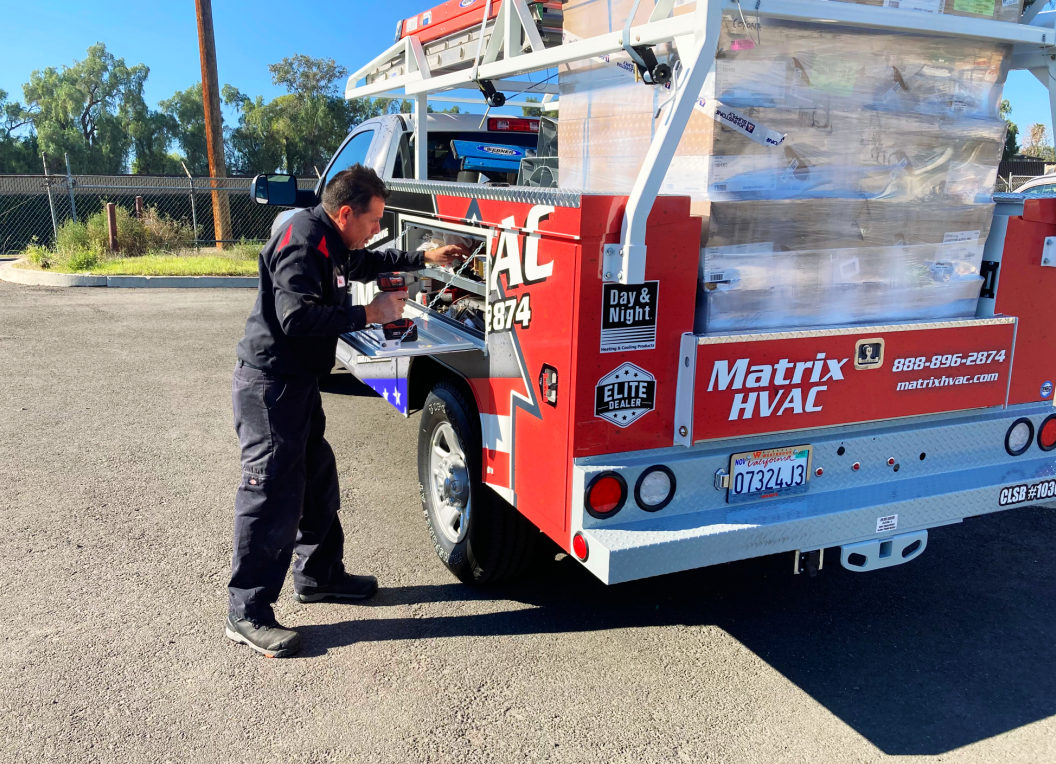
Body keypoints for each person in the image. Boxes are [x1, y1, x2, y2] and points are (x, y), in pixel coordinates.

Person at [225, 164, 466, 658]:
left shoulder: (331, 240)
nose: (376, 230)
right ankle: (247, 612)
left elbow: (359, 266)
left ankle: (318, 576)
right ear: (345, 213)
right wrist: (369, 314)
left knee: (316, 478)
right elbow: (296, 317)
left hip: (297, 385)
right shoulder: (301, 239)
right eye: (374, 221)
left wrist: (423, 256)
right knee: (271, 493)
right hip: (271, 387)